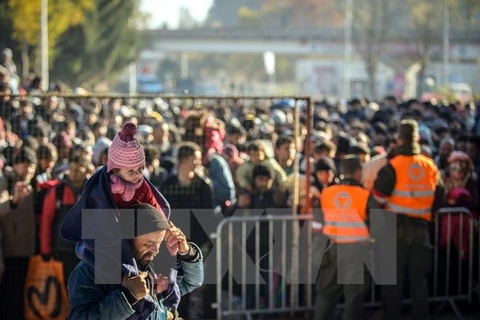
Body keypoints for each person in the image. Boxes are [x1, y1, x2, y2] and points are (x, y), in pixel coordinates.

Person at [67, 203, 204, 320]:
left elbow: (191, 282)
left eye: (159, 243)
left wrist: (186, 252)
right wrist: (127, 296)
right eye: (148, 244)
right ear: (127, 240)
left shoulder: (153, 263)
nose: (155, 250)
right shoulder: (90, 269)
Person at [372, 120, 445, 320]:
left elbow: (378, 196)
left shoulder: (393, 165)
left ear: (399, 138)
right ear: (418, 139)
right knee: (418, 281)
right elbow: (440, 197)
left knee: (393, 282)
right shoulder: (430, 165)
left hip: (395, 230)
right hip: (421, 231)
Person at [314, 156, 380, 320]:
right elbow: (378, 224)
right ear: (358, 172)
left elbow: (320, 218)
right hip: (356, 251)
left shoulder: (327, 193)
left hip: (331, 249)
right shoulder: (364, 195)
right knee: (354, 297)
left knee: (326, 294)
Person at [40, 155, 94, 282]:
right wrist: (45, 250)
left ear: (86, 171)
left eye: (78, 170)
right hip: (62, 249)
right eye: (72, 169)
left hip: (86, 250)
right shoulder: (57, 191)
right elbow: (46, 221)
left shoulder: (93, 190)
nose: (74, 173)